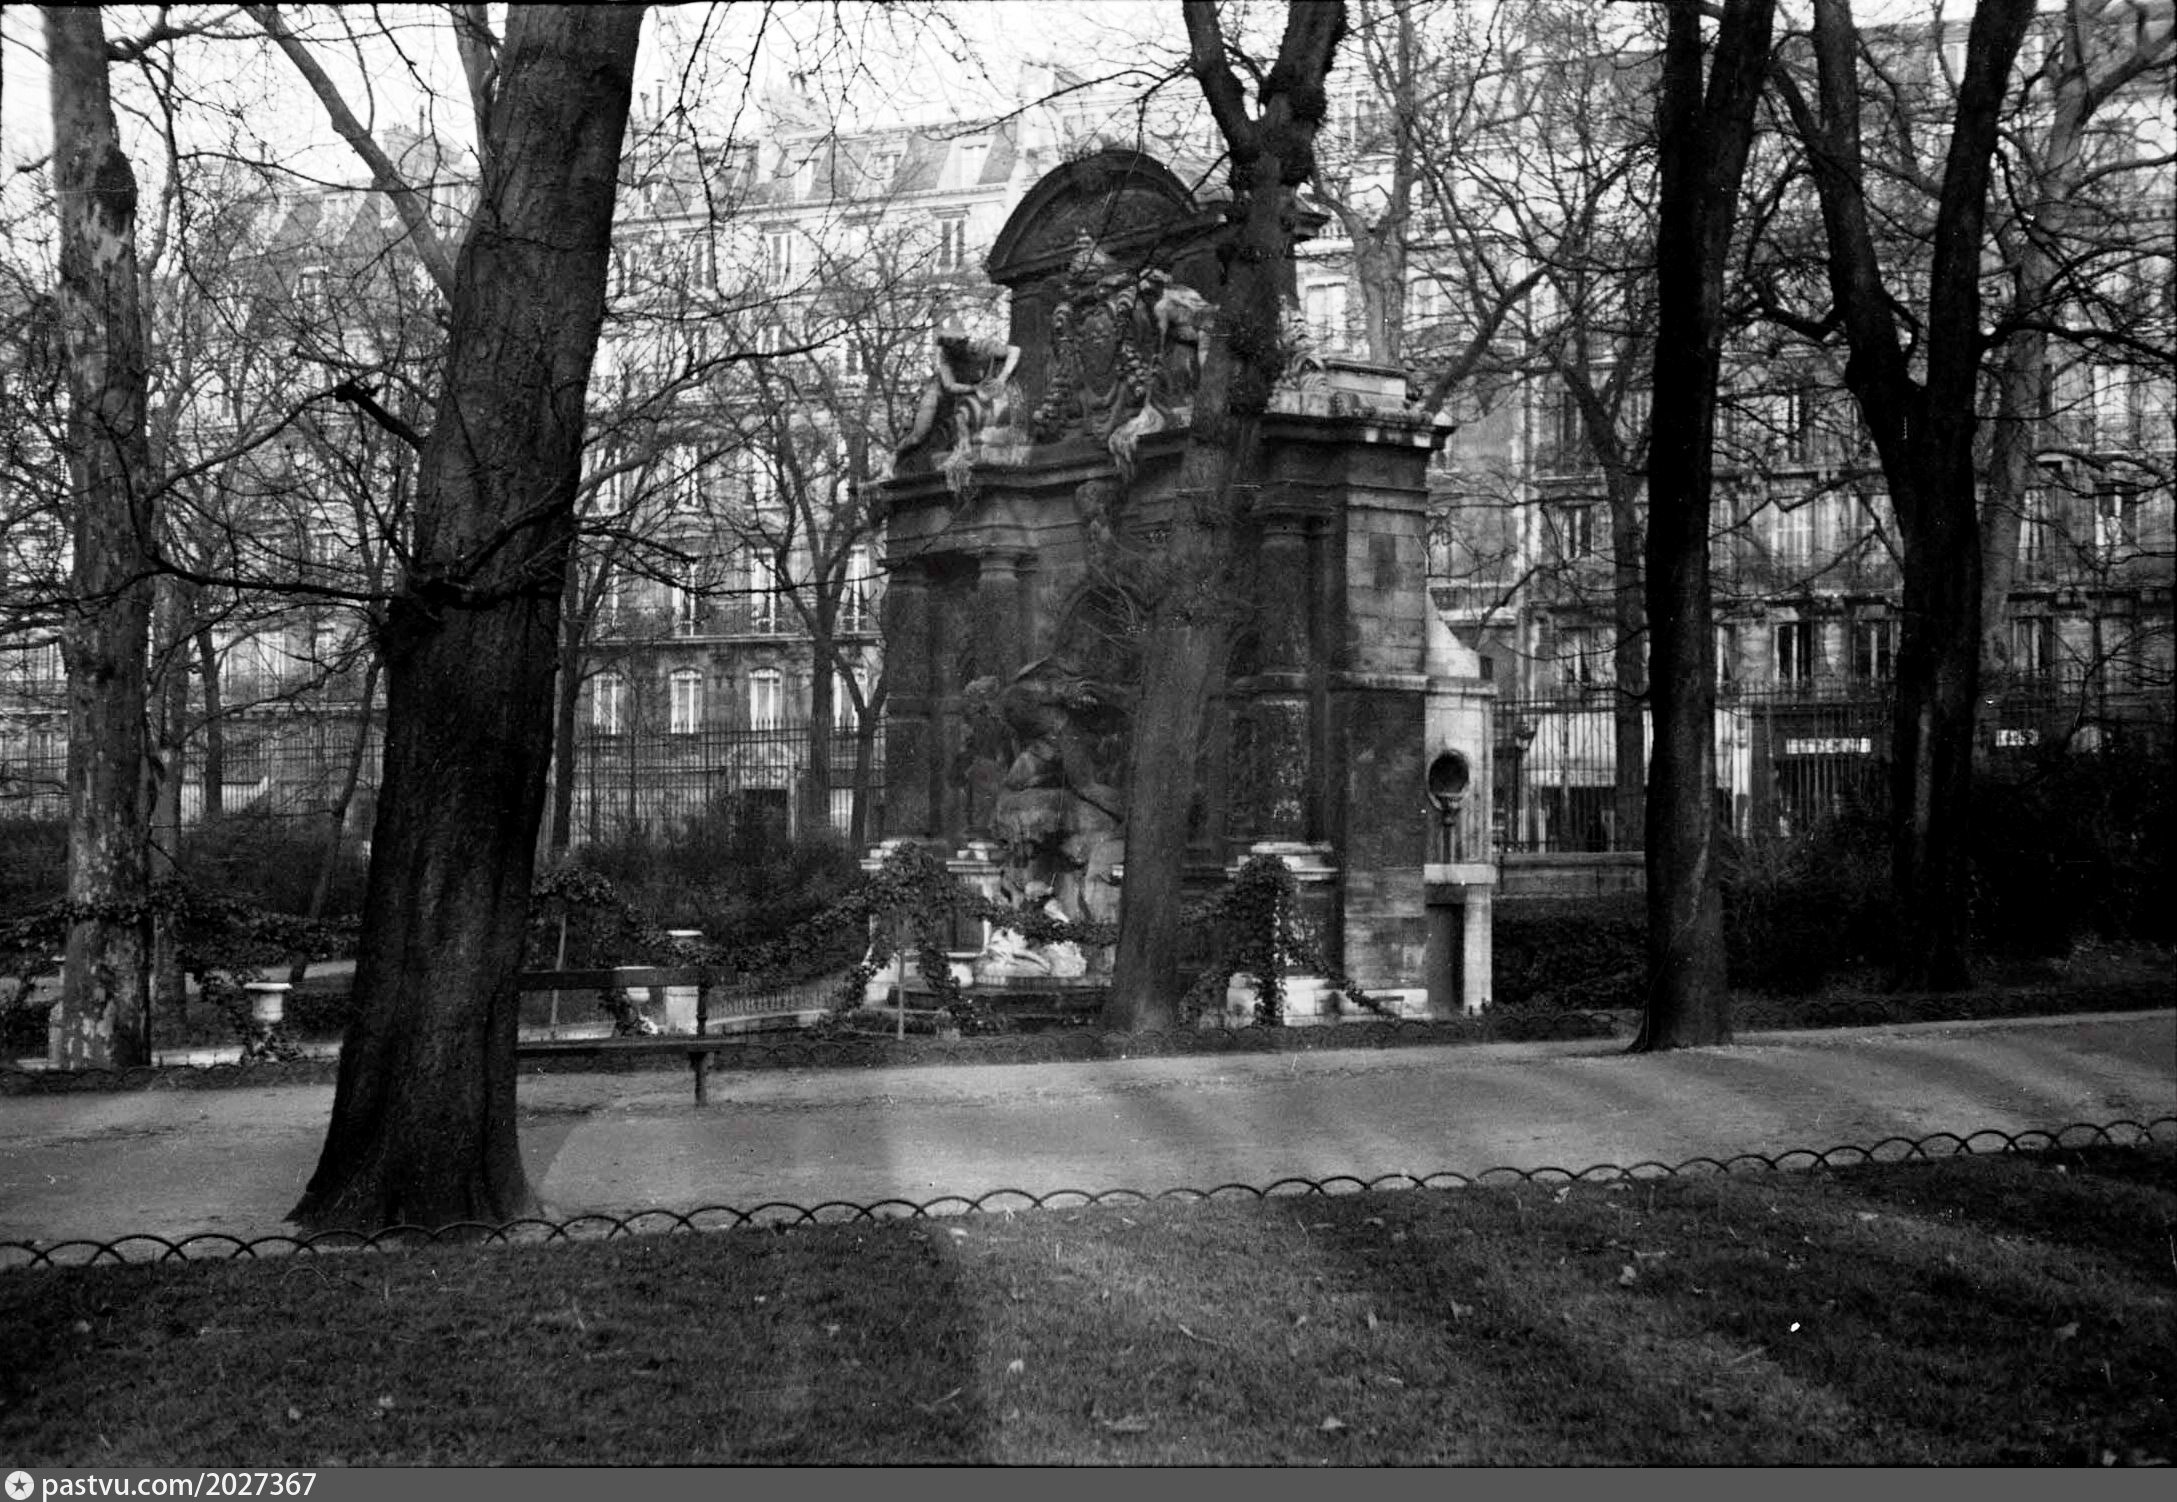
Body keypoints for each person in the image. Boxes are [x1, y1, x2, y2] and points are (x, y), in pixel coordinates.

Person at [895, 322, 1020, 464]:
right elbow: (950, 385)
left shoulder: (982, 347)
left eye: (954, 346)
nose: (952, 351)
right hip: (940, 393)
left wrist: (1002, 378)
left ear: (963, 342)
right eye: (948, 348)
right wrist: (975, 388)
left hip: (968, 395)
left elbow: (1014, 351)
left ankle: (965, 445)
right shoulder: (945, 358)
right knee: (918, 435)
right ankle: (896, 455)